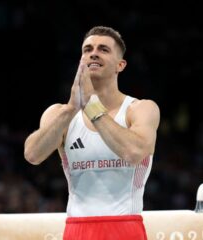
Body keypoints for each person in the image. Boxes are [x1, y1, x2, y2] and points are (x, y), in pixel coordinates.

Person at [24, 26, 160, 240]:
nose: (93, 53)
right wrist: (71, 109)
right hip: (77, 230)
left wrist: (92, 107)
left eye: (103, 49)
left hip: (124, 228)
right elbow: (32, 155)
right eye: (87, 49)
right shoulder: (60, 114)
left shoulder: (141, 109)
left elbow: (134, 152)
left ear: (120, 65)